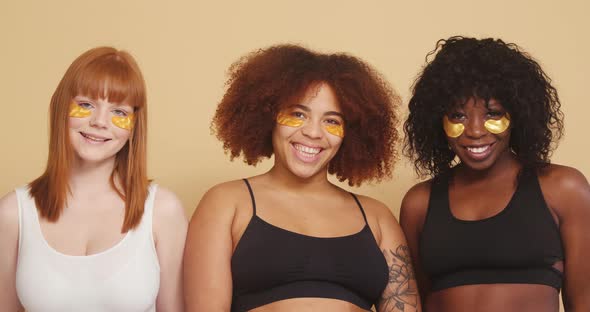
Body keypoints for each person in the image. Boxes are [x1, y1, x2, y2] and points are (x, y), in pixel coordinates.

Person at [183, 44, 421, 312]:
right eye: (298, 114)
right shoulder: (227, 203)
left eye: (332, 121)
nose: (313, 133)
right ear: (267, 116)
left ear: (351, 133)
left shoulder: (377, 217)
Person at [400, 36, 590, 311]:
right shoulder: (420, 203)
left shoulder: (563, 189)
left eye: (493, 113)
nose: (476, 131)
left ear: (519, 115)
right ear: (436, 120)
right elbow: (413, 302)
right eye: (458, 116)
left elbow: (583, 299)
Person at [0, 47, 187, 311]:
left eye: (119, 112)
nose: (100, 121)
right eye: (86, 105)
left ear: (134, 125)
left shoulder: (163, 210)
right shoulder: (12, 212)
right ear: (61, 109)